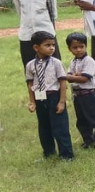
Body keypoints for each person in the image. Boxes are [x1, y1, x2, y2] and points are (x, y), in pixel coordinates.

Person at [26, 31, 73, 160]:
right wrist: (32, 102)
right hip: (40, 98)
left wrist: (62, 101)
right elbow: (30, 85)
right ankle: (48, 152)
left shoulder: (56, 63)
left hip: (54, 96)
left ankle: (66, 154)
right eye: (47, 45)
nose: (52, 48)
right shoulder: (30, 65)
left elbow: (63, 82)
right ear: (36, 47)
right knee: (44, 127)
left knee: (60, 127)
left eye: (53, 45)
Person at [13, 0, 60, 67]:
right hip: (27, 35)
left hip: (47, 33)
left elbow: (53, 13)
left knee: (53, 65)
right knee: (30, 66)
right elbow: (20, 12)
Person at [65, 32, 95, 150]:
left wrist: (71, 77)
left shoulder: (89, 61)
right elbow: (70, 76)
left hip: (89, 95)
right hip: (77, 95)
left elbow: (84, 78)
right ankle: (88, 140)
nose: (79, 50)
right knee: (81, 120)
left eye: (81, 46)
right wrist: (73, 76)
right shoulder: (74, 62)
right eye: (75, 47)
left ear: (86, 46)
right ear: (69, 49)